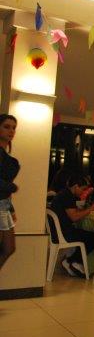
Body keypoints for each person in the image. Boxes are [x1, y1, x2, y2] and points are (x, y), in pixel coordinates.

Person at [50, 173, 94, 276]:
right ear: (76, 186)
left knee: (88, 235)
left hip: (57, 231)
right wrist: (91, 209)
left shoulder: (63, 194)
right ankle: (73, 261)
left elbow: (71, 213)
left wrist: (82, 210)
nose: (83, 192)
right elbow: (74, 217)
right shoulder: (67, 196)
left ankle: (71, 261)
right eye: (82, 189)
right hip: (63, 233)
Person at [0, 114, 19, 270]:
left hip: (4, 205)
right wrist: (12, 187)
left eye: (13, 128)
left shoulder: (8, 159)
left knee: (9, 248)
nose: (11, 131)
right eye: (6, 127)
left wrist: (11, 209)